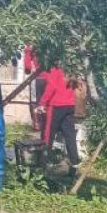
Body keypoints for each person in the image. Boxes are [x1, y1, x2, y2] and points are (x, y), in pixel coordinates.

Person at [22, 47, 81, 175]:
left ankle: (44, 164)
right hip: (69, 105)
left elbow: (52, 87)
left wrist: (42, 103)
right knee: (70, 135)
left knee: (48, 134)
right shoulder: (70, 69)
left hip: (56, 105)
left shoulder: (55, 69)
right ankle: (74, 164)